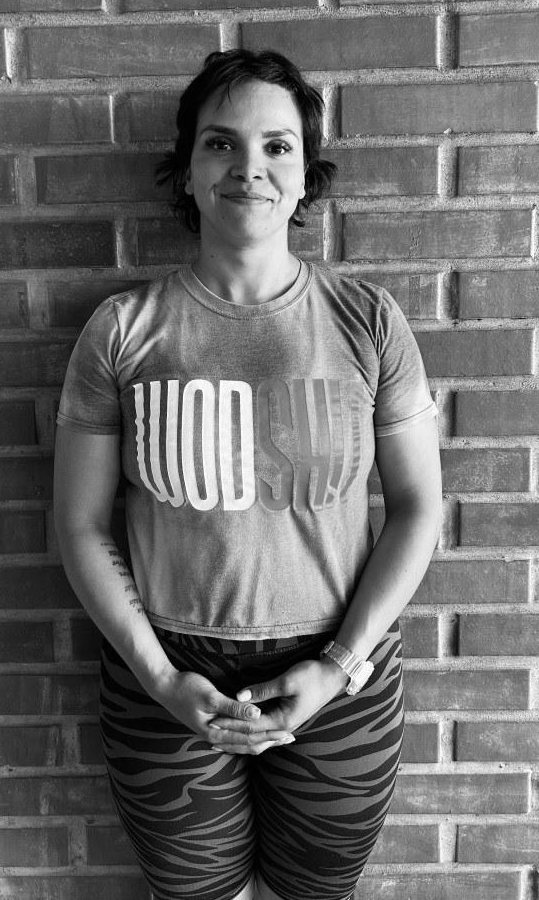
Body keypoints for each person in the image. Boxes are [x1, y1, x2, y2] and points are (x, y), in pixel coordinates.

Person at [54, 48, 442, 900]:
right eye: (221, 143)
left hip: (339, 670)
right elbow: (78, 524)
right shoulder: (122, 330)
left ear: (306, 175)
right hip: (164, 672)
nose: (249, 167)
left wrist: (339, 664)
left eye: (277, 146)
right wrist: (160, 677)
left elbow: (419, 508)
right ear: (188, 170)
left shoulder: (369, 322)